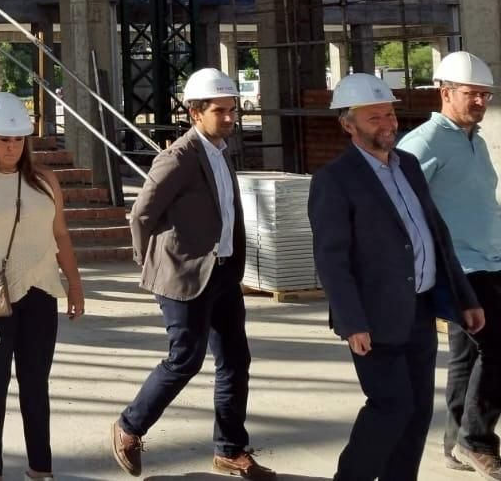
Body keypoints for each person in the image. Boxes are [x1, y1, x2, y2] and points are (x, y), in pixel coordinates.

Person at [311, 72, 484, 481]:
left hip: (419, 310)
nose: (388, 124)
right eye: (374, 118)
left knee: (419, 410)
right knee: (390, 407)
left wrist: (465, 298)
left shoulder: (408, 164)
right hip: (373, 317)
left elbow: (436, 236)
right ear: (348, 125)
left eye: (389, 114)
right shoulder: (334, 180)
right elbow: (331, 259)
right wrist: (352, 322)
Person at [112, 68, 273, 480]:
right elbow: (142, 214)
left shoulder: (221, 153)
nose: (230, 117)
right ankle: (129, 426)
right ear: (195, 112)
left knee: (235, 360)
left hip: (222, 272)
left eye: (232, 109)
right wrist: (148, 260)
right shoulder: (178, 158)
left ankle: (230, 450)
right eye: (220, 110)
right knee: (185, 359)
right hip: (184, 275)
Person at [0, 93, 84, 481]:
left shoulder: (45, 180)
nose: (12, 147)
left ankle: (40, 469)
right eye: (4, 139)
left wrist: (75, 284)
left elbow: (60, 234)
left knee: (36, 386)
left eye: (18, 139)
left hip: (41, 295)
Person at [400, 52, 501, 475]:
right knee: (498, 347)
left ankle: (455, 442)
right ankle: (476, 440)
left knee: (466, 356)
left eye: (485, 95)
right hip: (460, 267)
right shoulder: (424, 141)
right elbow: (398, 201)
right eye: (471, 94)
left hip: (489, 259)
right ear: (445, 92)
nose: (480, 102)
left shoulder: (474, 139)